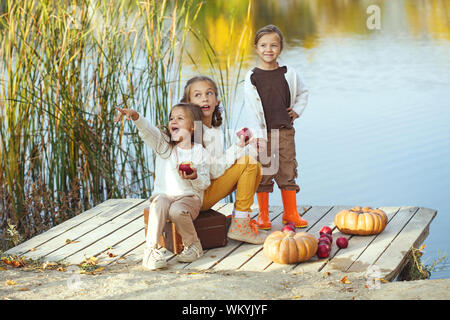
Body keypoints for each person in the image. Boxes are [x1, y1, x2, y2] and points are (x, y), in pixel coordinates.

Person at [114, 103, 211, 270]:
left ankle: (194, 245)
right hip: (164, 196)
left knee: (176, 210)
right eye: (171, 118)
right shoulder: (163, 145)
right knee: (158, 203)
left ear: (193, 126)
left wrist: (194, 176)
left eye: (180, 118)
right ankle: (151, 250)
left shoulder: (199, 152)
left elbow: (204, 182)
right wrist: (136, 116)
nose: (173, 121)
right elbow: (148, 130)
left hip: (189, 198)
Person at [180, 76, 267, 244]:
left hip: (205, 191)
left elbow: (220, 163)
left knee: (252, 164)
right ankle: (240, 226)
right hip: (197, 197)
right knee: (249, 164)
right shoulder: (195, 132)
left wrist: (247, 147)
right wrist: (239, 149)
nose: (204, 98)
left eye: (209, 93)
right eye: (197, 95)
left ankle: (239, 219)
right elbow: (213, 171)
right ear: (188, 103)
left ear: (216, 100)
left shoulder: (212, 129)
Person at [244, 24, 309, 230]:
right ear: (256, 48)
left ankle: (290, 213)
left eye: (273, 45)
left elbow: (303, 92)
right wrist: (256, 136)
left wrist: (297, 110)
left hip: (285, 131)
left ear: (280, 48)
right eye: (263, 45)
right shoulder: (252, 76)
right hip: (263, 135)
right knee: (264, 172)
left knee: (287, 169)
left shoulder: (289, 73)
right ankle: (263, 215)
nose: (268, 49)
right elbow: (251, 109)